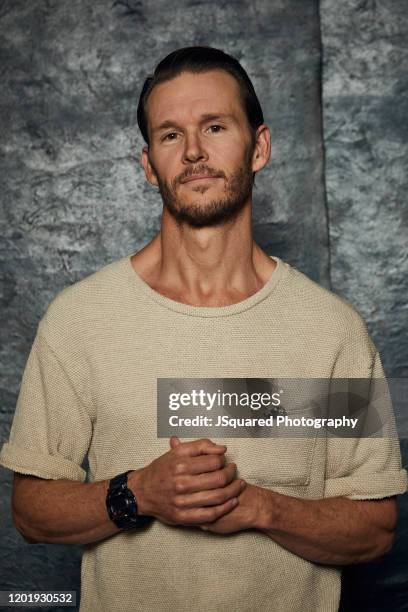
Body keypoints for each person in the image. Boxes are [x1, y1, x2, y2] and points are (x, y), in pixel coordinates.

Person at [0, 46, 406, 612]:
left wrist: (259, 507)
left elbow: (376, 527)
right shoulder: (82, 319)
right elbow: (31, 511)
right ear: (148, 164)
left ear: (258, 146)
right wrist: (136, 494)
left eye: (214, 127)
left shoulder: (328, 330)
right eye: (170, 135)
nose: (193, 151)